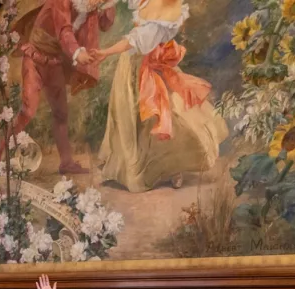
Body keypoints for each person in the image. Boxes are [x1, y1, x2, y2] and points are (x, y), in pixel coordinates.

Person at [92, 0, 228, 192]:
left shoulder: (163, 14)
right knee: (128, 118)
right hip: (132, 67)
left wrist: (105, 52)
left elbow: (136, 42)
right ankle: (121, 167)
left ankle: (172, 168)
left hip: (146, 69)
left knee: (162, 116)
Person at [0, 0, 114, 171]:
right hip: (35, 60)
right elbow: (64, 30)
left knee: (61, 114)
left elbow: (105, 25)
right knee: (28, 111)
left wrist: (110, 5)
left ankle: (66, 162)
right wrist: (76, 52)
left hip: (54, 63)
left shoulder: (90, 9)